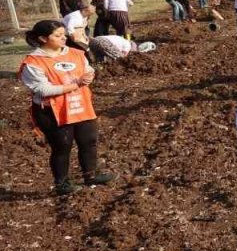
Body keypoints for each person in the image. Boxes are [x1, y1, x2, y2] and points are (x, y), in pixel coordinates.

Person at [19, 20, 116, 196]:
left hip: (81, 105)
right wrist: (76, 84)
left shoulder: (76, 53)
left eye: (63, 34)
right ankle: (62, 183)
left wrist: (88, 76)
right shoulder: (33, 62)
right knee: (62, 147)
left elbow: (88, 70)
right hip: (53, 111)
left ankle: (90, 175)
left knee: (89, 141)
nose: (64, 38)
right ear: (42, 38)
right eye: (57, 35)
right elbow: (43, 89)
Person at [89, 34, 154, 61]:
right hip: (103, 42)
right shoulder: (128, 45)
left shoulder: (123, 41)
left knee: (100, 61)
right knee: (120, 59)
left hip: (94, 41)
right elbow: (123, 56)